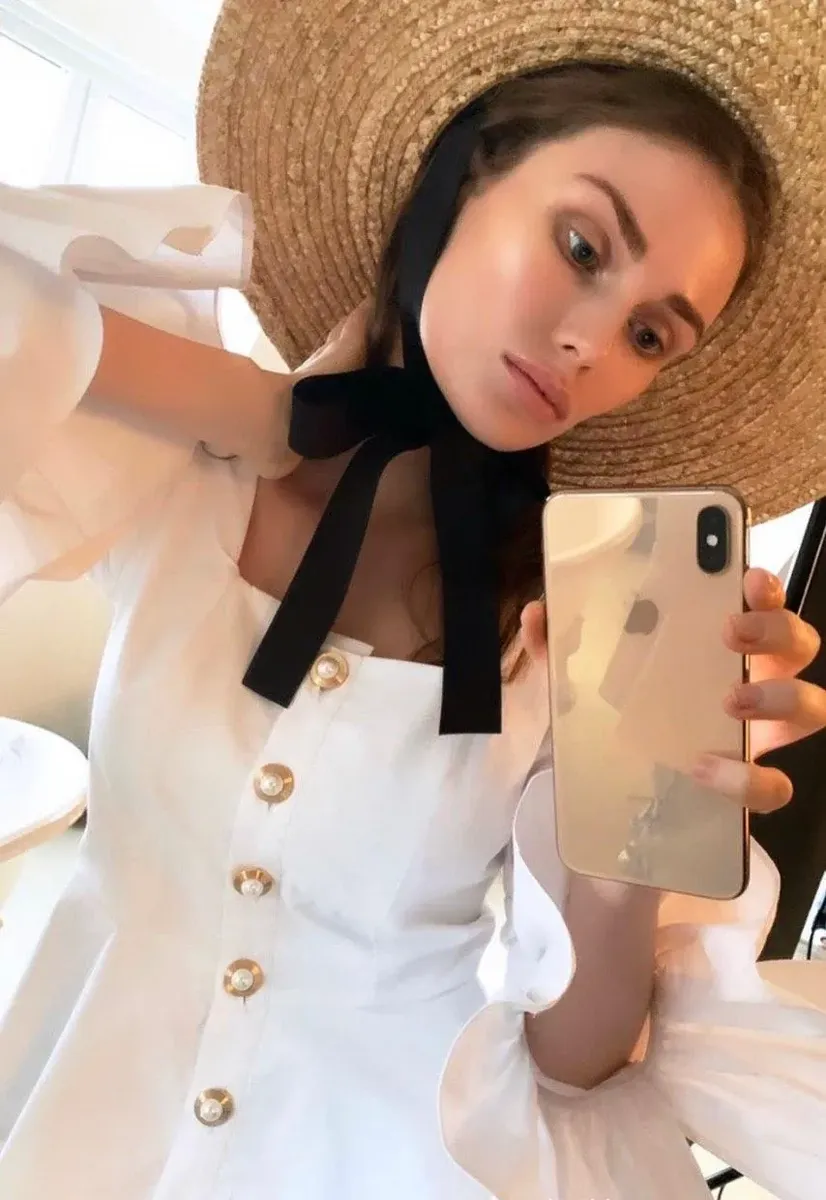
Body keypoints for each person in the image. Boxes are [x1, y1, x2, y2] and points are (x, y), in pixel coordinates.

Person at [0, 0, 824, 1197]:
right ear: (464, 174)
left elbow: (577, 1064)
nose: (592, 343)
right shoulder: (183, 476)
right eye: (582, 246)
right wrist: (249, 407)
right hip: (77, 1127)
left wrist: (624, 861)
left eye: (651, 335)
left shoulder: (574, 634)